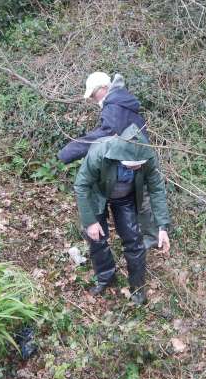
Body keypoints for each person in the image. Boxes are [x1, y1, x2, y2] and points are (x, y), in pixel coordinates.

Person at [74, 124, 171, 306]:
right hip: (98, 194)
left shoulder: (147, 155)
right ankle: (105, 279)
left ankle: (137, 289)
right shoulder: (100, 152)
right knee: (97, 238)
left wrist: (162, 226)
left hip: (125, 197)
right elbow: (81, 185)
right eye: (130, 166)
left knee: (134, 241)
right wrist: (90, 222)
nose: (134, 168)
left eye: (138, 166)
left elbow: (157, 189)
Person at [59, 72, 159, 249]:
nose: (91, 98)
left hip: (135, 160)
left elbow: (106, 135)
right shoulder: (121, 101)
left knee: (142, 201)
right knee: (142, 201)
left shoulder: (114, 106)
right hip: (137, 156)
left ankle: (147, 242)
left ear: (104, 88)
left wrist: (69, 152)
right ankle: (146, 240)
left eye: (92, 94)